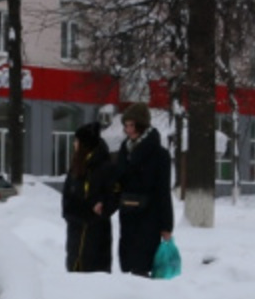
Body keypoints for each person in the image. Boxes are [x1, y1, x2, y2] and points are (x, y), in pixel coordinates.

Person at [113, 103, 174, 276]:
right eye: (126, 125)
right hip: (128, 215)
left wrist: (166, 226)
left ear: (141, 124)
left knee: (142, 267)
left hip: (149, 218)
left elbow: (163, 191)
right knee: (127, 267)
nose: (128, 129)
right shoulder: (124, 151)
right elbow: (118, 183)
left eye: (131, 125)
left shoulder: (159, 154)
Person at [62, 122, 117, 272]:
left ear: (85, 144)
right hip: (75, 233)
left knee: (93, 280)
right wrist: (79, 212)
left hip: (96, 236)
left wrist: (101, 207)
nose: (74, 144)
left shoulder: (104, 168)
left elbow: (112, 198)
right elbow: (67, 199)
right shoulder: (76, 167)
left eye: (77, 141)